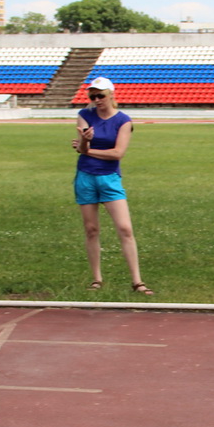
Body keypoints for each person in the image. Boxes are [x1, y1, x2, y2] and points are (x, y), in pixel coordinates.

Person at [71, 77, 153, 295]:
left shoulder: (123, 121)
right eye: (93, 96)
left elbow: (118, 153)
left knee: (125, 229)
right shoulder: (84, 115)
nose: (96, 100)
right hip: (86, 176)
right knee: (91, 229)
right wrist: (85, 142)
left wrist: (86, 150)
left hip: (109, 178)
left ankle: (137, 282)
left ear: (111, 95)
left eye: (101, 95)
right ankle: (97, 279)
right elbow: (80, 145)